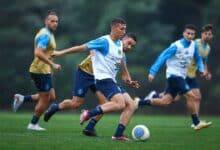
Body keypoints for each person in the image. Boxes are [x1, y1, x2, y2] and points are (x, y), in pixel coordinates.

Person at [43, 18, 137, 141]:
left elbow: (122, 65)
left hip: (102, 78)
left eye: (132, 46)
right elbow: (84, 47)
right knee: (76, 103)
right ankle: (55, 107)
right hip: (85, 73)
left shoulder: (120, 49)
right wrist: (61, 52)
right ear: (115, 29)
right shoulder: (104, 42)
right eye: (128, 42)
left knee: (110, 104)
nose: (129, 47)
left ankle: (91, 127)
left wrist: (127, 78)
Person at [135, 24, 212, 131]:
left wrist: (201, 69)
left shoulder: (193, 45)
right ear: (183, 33)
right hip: (173, 76)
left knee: (165, 102)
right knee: (191, 96)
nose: (190, 36)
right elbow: (162, 57)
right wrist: (152, 72)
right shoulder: (176, 45)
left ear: (194, 35)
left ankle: (138, 102)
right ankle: (196, 122)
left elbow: (198, 58)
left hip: (181, 76)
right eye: (188, 33)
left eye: (192, 34)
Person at [12, 10, 61, 131]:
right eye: (52, 21)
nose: (55, 23)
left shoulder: (49, 33)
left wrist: (50, 65)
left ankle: (22, 99)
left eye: (56, 21)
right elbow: (38, 53)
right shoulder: (45, 35)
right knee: (45, 98)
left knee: (51, 97)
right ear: (46, 21)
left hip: (45, 70)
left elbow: (47, 52)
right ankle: (33, 124)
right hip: (39, 70)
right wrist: (52, 64)